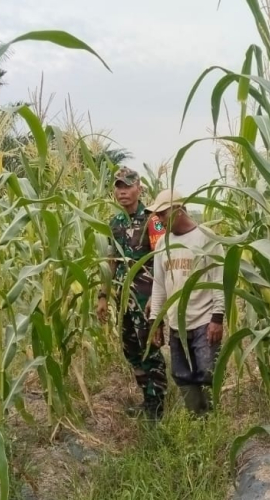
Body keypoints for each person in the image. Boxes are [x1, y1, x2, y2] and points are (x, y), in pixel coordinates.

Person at [97, 167, 168, 420]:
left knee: (150, 349)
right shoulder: (114, 224)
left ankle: (157, 406)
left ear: (139, 187)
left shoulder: (153, 219)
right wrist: (103, 296)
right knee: (131, 350)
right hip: (123, 299)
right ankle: (147, 398)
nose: (122, 191)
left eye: (127, 186)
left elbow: (163, 259)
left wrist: (157, 300)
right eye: (118, 186)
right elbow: (111, 261)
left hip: (146, 299)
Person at [146, 189, 225, 417]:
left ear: (178, 210)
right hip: (176, 323)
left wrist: (217, 318)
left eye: (162, 213)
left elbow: (219, 280)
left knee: (207, 373)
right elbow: (159, 285)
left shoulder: (206, 237)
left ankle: (213, 422)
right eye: (156, 215)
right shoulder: (162, 244)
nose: (158, 220)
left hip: (204, 322)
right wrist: (155, 322)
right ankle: (197, 419)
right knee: (182, 375)